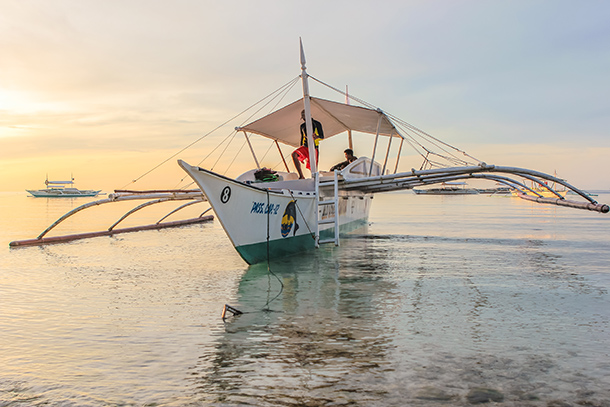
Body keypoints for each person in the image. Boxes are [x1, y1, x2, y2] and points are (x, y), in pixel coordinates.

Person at [292, 110, 324, 179]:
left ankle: (314, 179)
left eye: (304, 116)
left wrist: (316, 137)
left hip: (314, 147)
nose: (303, 119)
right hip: (305, 146)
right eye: (303, 117)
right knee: (294, 154)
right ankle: (301, 175)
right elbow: (302, 137)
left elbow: (322, 136)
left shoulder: (317, 123)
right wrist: (300, 147)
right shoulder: (302, 126)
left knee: (313, 167)